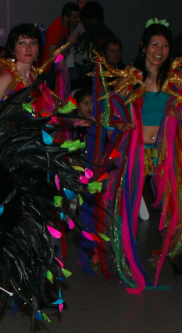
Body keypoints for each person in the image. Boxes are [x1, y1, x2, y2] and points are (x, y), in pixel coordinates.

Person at [94, 19, 182, 291]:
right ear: (144, 47)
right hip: (136, 152)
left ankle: (177, 252)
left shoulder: (175, 79)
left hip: (167, 153)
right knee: (125, 204)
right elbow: (108, 110)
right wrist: (120, 123)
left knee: (177, 202)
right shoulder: (131, 77)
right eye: (155, 44)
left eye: (165, 45)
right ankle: (123, 258)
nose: (160, 50)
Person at [0, 24, 69, 127]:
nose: (28, 48)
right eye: (22, 43)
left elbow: (50, 111)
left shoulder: (36, 78)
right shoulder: (7, 77)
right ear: (12, 50)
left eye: (33, 43)